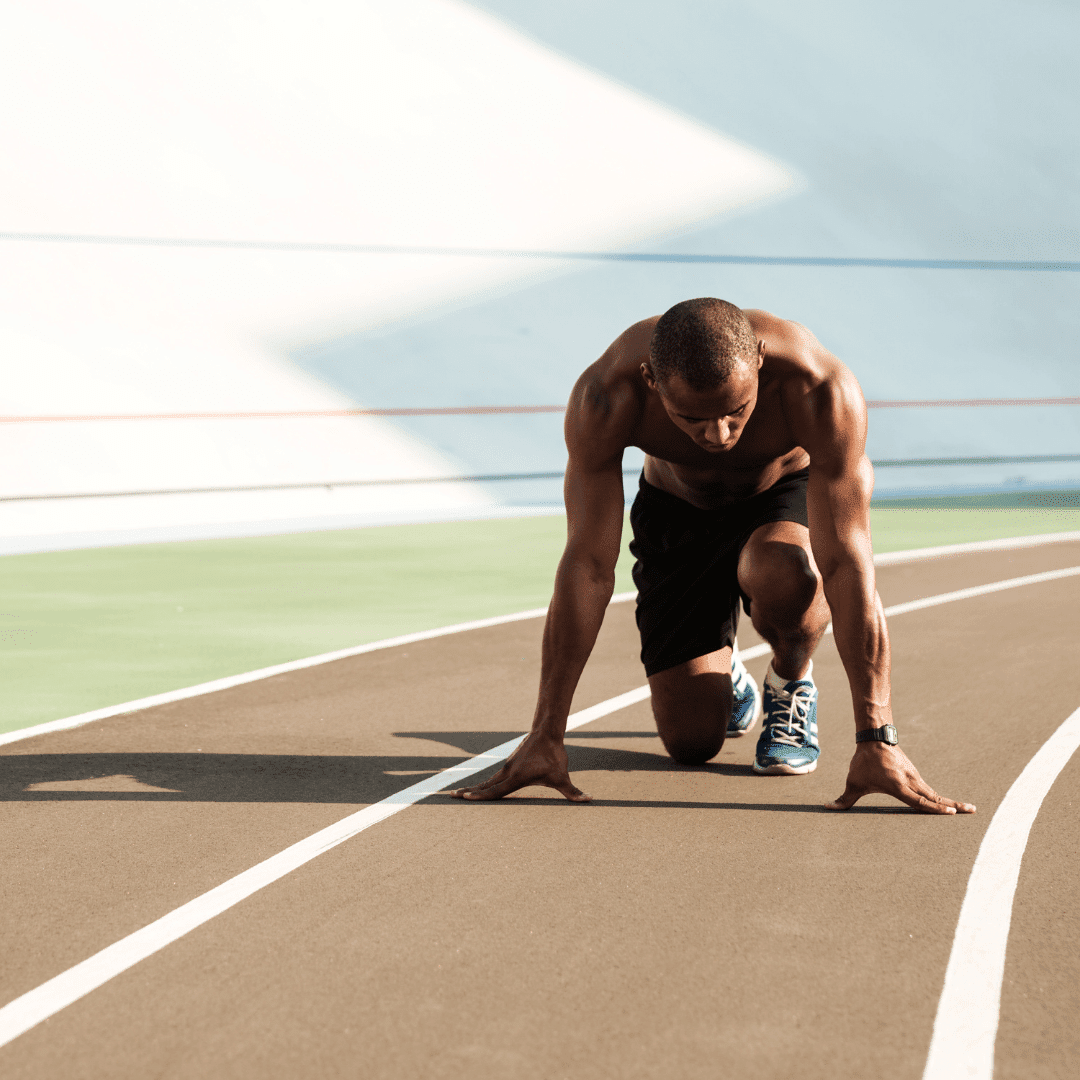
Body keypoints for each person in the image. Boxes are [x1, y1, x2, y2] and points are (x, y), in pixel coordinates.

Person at [452, 298, 975, 814]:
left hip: (780, 499)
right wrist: (546, 733)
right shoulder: (608, 394)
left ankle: (790, 678)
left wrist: (877, 736)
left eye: (737, 411)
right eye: (693, 419)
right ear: (652, 381)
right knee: (691, 743)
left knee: (784, 571)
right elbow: (587, 566)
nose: (719, 434)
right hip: (676, 513)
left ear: (761, 361)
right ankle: (729, 678)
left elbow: (845, 564)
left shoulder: (817, 388)